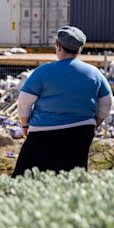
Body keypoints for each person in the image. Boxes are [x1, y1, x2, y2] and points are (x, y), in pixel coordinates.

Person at [13, 26, 113, 177]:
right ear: (79, 49)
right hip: (80, 133)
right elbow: (107, 103)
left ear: (58, 46)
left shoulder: (44, 71)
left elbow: (24, 102)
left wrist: (25, 124)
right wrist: (94, 123)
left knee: (26, 176)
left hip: (43, 134)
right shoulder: (95, 73)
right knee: (71, 177)